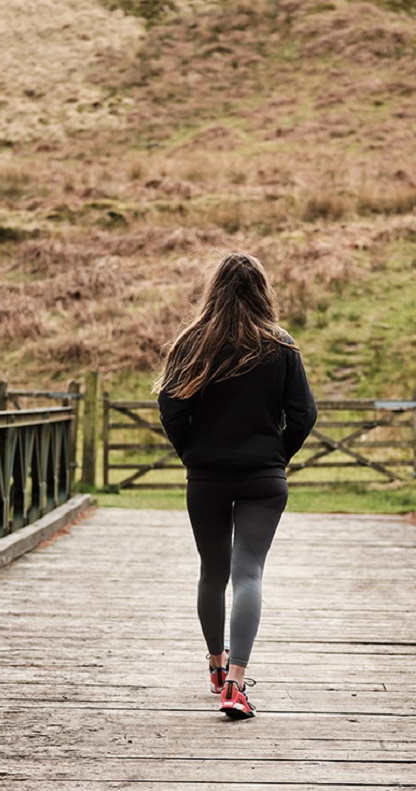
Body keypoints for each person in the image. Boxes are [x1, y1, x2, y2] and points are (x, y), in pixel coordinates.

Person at [156, 252, 317, 719]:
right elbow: (305, 415)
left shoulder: (191, 343)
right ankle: (236, 683)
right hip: (263, 478)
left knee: (213, 571)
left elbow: (171, 411)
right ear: (262, 291)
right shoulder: (282, 346)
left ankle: (214, 663)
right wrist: (275, 459)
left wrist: (194, 454)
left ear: (215, 289)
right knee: (249, 574)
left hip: (206, 476)